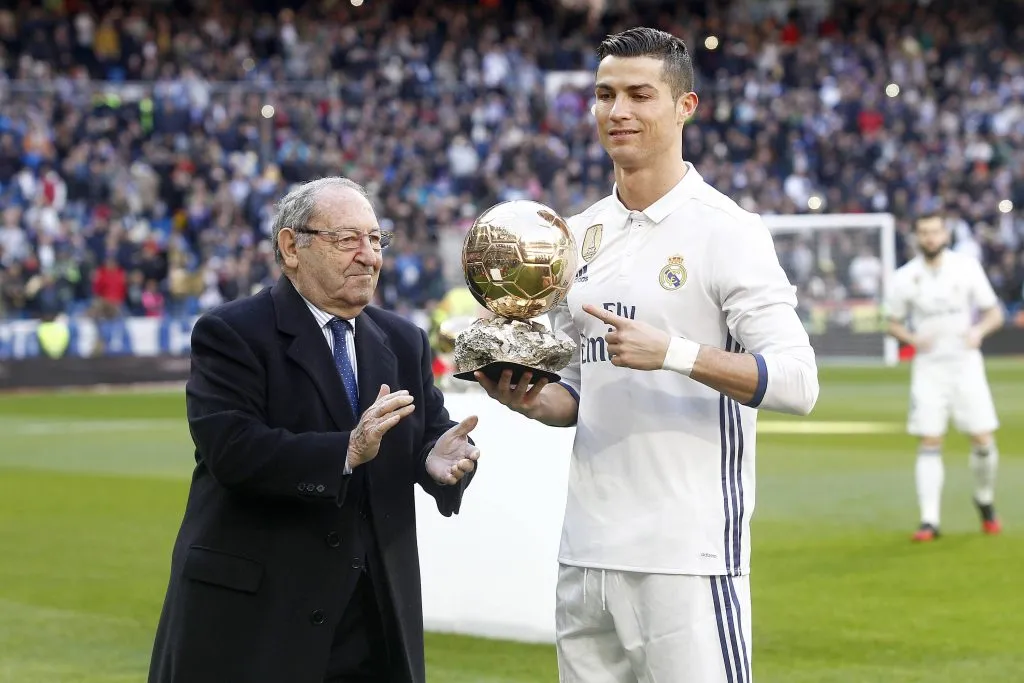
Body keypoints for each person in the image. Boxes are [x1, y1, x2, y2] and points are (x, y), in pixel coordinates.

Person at [476, 27, 819, 683]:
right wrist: (530, 396)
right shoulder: (573, 236)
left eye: (639, 94)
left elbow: (799, 382)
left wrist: (676, 353)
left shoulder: (729, 232)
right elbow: (578, 390)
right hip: (586, 552)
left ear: (685, 107)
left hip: (686, 558)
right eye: (605, 95)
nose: (618, 111)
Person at [149, 177, 481, 683]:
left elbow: (431, 437)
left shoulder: (403, 340)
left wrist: (440, 462)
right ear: (291, 247)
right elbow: (232, 450)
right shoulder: (232, 333)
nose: (368, 256)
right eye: (347, 239)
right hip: (260, 625)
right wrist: (345, 451)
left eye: (375, 239)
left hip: (373, 625)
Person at [885, 213, 1004, 542]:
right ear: (917, 237)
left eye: (935, 231)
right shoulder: (904, 277)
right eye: (923, 232)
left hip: (966, 364)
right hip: (929, 367)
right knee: (929, 439)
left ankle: (984, 500)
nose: (930, 237)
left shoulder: (966, 267)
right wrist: (911, 338)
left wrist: (979, 329)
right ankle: (929, 521)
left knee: (982, 439)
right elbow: (892, 322)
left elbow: (994, 312)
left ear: (945, 234)